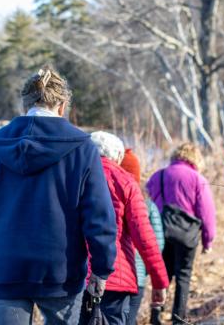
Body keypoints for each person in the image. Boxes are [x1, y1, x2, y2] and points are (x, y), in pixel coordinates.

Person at [0, 67, 117, 325]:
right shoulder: (82, 149)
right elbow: (99, 216)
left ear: (24, 104)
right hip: (60, 272)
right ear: (63, 105)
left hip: (3, 268)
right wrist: (102, 268)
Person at [79, 132, 169, 325]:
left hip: (74, 275)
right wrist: (159, 280)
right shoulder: (126, 181)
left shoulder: (72, 177)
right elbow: (144, 236)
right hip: (116, 278)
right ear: (119, 156)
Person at [147, 143, 216, 325]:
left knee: (162, 274)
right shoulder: (198, 179)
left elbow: (149, 200)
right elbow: (207, 212)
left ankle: (156, 315)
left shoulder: (159, 175)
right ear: (195, 159)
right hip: (187, 235)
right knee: (183, 277)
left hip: (161, 232)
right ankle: (178, 319)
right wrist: (208, 241)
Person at [119, 149, 165, 325]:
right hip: (136, 275)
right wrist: (148, 269)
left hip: (107, 277)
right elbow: (157, 242)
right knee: (129, 319)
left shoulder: (103, 198)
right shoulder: (148, 203)